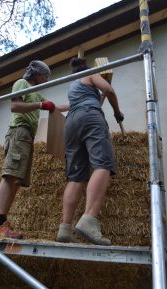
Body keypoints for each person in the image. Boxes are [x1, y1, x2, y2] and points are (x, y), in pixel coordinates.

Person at [57, 57, 124, 245]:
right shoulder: (90, 74)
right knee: (102, 163)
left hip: (71, 123)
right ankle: (89, 219)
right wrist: (117, 112)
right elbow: (109, 90)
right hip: (90, 118)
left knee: (76, 176)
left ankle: (65, 228)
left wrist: (100, 95)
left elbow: (93, 100)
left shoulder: (73, 86)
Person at [0, 60, 55, 239]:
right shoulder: (22, 83)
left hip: (27, 138)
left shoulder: (35, 93)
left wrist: (76, 104)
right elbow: (15, 106)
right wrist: (40, 106)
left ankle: (2, 224)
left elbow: (54, 106)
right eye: (45, 75)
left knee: (16, 181)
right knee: (9, 176)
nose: (46, 79)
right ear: (37, 73)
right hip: (19, 132)